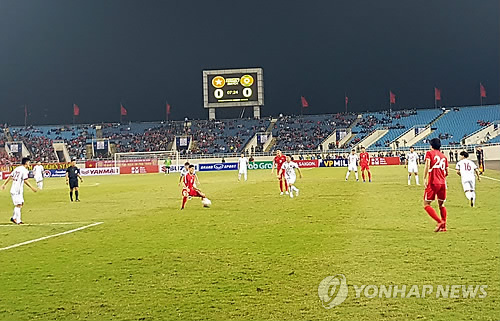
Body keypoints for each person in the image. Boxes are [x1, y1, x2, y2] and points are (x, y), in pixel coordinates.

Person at [1, 157, 38, 224]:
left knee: (21, 204)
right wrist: (32, 187)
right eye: (29, 162)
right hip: (16, 190)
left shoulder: (17, 168)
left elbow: (10, 176)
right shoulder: (24, 170)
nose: (29, 164)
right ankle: (18, 221)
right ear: (26, 163)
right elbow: (25, 180)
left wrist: (4, 184)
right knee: (18, 204)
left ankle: (13, 218)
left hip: (17, 190)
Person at [423, 138, 449, 232]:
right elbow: (447, 172)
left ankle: (439, 222)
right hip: (443, 183)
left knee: (426, 204)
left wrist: (425, 178)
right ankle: (444, 226)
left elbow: (427, 165)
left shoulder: (430, 153)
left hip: (433, 182)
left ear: (431, 145)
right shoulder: (444, 156)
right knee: (441, 204)